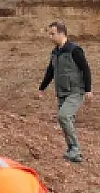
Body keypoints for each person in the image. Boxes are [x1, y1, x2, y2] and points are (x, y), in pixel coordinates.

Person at [38, 21, 93, 163]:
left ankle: (75, 149)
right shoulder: (55, 52)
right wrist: (42, 88)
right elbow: (50, 71)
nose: (50, 37)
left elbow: (86, 69)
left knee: (63, 116)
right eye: (49, 34)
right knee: (67, 121)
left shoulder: (75, 50)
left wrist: (88, 90)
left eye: (52, 34)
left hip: (75, 91)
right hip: (62, 92)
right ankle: (73, 152)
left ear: (61, 33)